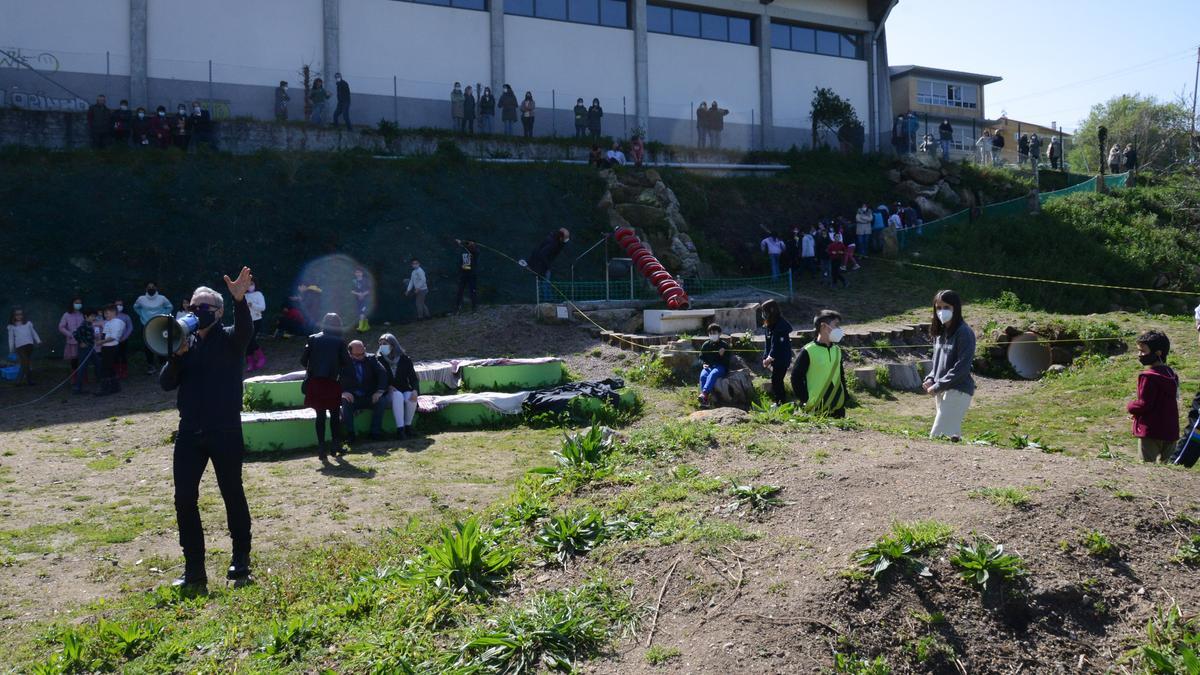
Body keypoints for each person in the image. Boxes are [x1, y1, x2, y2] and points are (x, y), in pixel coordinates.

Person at [158, 268, 255, 591]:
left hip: (225, 430)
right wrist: (175, 357)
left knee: (232, 493)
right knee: (184, 499)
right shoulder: (184, 344)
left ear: (218, 312)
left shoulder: (230, 339)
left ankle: (240, 558)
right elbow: (165, 384)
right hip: (190, 434)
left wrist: (239, 301)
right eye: (193, 307)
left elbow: (246, 329)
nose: (198, 313)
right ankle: (194, 569)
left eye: (205, 308)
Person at [922, 290, 976, 441]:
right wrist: (931, 378)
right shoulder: (940, 333)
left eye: (946, 307)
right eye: (938, 308)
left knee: (937, 437)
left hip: (958, 390)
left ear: (956, 308)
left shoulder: (964, 332)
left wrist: (938, 385)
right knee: (951, 439)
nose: (941, 311)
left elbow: (962, 367)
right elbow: (937, 363)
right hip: (942, 390)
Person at [1126, 331, 1179, 463]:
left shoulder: (1147, 376)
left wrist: (1131, 407)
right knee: (1168, 470)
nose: (1140, 355)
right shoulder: (1172, 375)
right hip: (1170, 430)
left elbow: (1144, 404)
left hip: (1150, 431)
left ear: (1158, 353)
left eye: (1143, 351)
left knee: (1146, 468)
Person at [302, 313, 349, 461]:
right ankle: (336, 444)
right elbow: (346, 362)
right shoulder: (340, 341)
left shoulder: (313, 338)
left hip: (315, 382)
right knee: (335, 414)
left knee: (320, 416)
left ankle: (321, 447)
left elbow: (304, 360)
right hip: (332, 381)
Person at [790, 310, 847, 417]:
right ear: (823, 326)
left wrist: (845, 398)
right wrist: (806, 400)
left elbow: (841, 376)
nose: (838, 329)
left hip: (837, 410)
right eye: (836, 325)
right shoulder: (808, 350)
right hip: (815, 411)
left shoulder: (837, 350)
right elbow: (795, 378)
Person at [340, 340, 389, 444]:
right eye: (357, 355)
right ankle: (351, 434)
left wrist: (379, 391)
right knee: (345, 402)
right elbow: (334, 379)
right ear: (349, 353)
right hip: (352, 397)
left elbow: (383, 374)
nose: (361, 356)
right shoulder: (342, 361)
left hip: (369, 396)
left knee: (381, 401)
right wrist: (342, 392)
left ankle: (375, 432)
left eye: (363, 353)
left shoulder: (371, 358)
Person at [378, 334, 420, 440]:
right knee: (397, 396)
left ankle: (408, 427)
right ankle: (400, 430)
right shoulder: (378, 360)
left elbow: (413, 378)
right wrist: (388, 387)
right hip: (387, 392)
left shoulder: (405, 359)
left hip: (404, 388)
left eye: (385, 344)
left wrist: (415, 391)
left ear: (393, 345)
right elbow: (376, 379)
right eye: (380, 344)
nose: (382, 346)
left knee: (411, 396)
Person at [134, 282, 173, 374]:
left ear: (156, 287)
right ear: (146, 288)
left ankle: (163, 365)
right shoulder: (141, 299)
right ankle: (151, 365)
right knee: (147, 346)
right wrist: (142, 314)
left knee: (160, 343)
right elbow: (136, 307)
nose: (151, 288)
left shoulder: (162, 298)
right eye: (149, 287)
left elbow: (170, 307)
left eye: (152, 286)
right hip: (146, 324)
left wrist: (163, 315)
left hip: (158, 324)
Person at [760, 299, 792, 405]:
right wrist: (765, 356)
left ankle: (781, 403)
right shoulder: (769, 325)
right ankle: (779, 402)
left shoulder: (781, 325)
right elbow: (768, 344)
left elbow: (777, 344)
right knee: (776, 380)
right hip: (775, 359)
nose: (763, 314)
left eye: (765, 311)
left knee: (777, 380)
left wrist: (770, 357)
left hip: (782, 358)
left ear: (772, 310)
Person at [697, 323, 730, 408]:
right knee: (703, 375)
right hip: (709, 366)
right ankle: (705, 401)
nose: (712, 335)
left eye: (714, 333)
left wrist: (722, 355)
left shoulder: (724, 345)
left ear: (719, 333)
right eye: (710, 333)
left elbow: (728, 361)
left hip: (721, 367)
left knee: (713, 374)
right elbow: (701, 357)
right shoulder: (706, 345)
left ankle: (704, 394)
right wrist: (703, 364)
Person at [58, 298, 87, 392]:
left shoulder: (82, 314)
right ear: (72, 304)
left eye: (80, 303)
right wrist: (69, 334)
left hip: (83, 341)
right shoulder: (66, 314)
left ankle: (83, 376)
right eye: (76, 303)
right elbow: (61, 327)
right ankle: (74, 377)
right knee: (74, 360)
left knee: (82, 359)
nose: (78, 304)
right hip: (72, 341)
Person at [7, 308, 41, 386]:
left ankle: (19, 381)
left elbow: (33, 332)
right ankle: (28, 380)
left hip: (29, 346)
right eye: (17, 314)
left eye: (20, 314)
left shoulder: (28, 323)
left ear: (23, 315)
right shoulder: (11, 326)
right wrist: (11, 349)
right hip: (20, 347)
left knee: (24, 364)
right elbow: (11, 338)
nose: (19, 316)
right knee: (26, 363)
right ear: (13, 316)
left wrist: (38, 340)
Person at [97, 304, 123, 395]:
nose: (105, 315)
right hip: (106, 347)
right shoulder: (108, 322)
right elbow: (104, 334)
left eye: (107, 313)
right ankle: (115, 387)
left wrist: (101, 342)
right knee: (109, 368)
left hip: (111, 347)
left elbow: (113, 337)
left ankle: (105, 389)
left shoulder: (117, 322)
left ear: (114, 312)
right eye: (105, 313)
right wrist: (100, 341)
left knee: (105, 368)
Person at [244, 277, 267, 372]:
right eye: (248, 284)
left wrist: (252, 305)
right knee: (246, 341)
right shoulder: (243, 295)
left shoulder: (258, 294)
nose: (250, 286)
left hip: (257, 320)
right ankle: (250, 363)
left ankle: (261, 358)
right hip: (246, 321)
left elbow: (262, 308)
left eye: (251, 284)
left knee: (251, 339)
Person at [454, 238, 480, 312]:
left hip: (472, 274)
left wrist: (463, 242)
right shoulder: (463, 250)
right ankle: (457, 308)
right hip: (463, 274)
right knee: (460, 291)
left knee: (473, 291)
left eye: (472, 243)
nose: (470, 244)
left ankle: (474, 308)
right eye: (469, 243)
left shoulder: (475, 251)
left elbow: (473, 250)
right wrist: (460, 243)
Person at [114, 299, 133, 379]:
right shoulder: (110, 316)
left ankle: (124, 372)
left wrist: (124, 337)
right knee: (115, 356)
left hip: (123, 340)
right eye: (117, 305)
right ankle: (116, 372)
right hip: (113, 340)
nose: (119, 306)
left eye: (120, 305)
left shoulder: (126, 316)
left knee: (123, 355)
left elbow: (130, 328)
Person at [351, 268, 372, 333]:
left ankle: (361, 327)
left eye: (359, 272)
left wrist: (363, 294)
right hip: (357, 300)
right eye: (357, 272)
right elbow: (351, 291)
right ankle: (366, 326)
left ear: (362, 273)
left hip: (365, 299)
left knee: (362, 312)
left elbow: (369, 290)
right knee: (360, 313)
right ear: (355, 273)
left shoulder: (366, 280)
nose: (358, 274)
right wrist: (358, 294)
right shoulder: (353, 281)